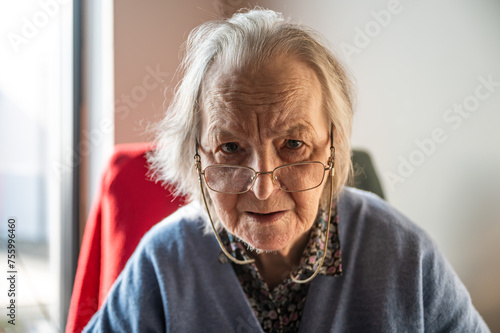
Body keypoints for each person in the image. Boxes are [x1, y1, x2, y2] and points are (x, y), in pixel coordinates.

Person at [84, 8, 489, 332]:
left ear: (332, 146)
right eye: (230, 147)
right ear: (198, 154)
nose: (262, 189)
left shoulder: (405, 256)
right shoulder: (164, 260)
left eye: (293, 145)